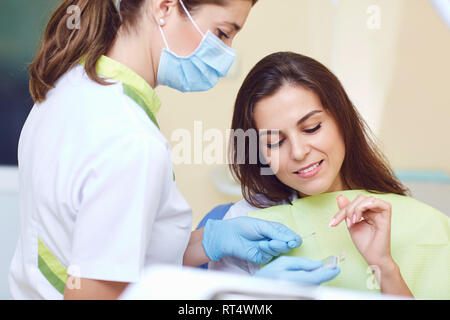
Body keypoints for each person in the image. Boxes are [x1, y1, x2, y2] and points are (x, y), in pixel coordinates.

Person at [9, 1, 339, 300]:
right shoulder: (130, 141)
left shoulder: (68, 89)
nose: (226, 58)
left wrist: (207, 241)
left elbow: (113, 254)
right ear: (164, 7)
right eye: (222, 33)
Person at [209, 51, 449, 298]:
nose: (299, 152)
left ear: (342, 120)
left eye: (312, 128)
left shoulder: (415, 222)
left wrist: (384, 267)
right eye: (273, 142)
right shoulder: (244, 225)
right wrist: (257, 295)